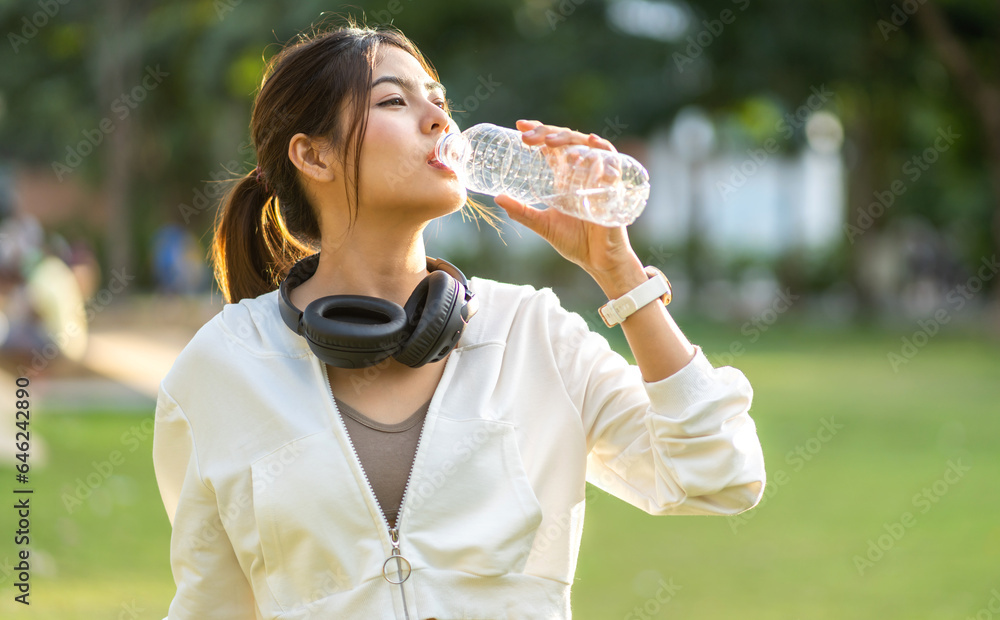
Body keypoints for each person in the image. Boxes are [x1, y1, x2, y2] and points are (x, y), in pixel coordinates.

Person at [152, 19, 766, 620]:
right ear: (313, 155)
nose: (440, 119)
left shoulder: (531, 333)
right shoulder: (221, 369)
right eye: (394, 100)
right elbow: (210, 606)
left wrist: (618, 270)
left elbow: (719, 473)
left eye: (439, 100)